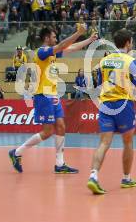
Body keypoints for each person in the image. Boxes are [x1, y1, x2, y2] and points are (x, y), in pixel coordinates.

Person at [86, 29, 136, 195]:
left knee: (104, 143)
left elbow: (100, 85)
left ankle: (93, 176)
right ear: (128, 42)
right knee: (128, 142)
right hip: (123, 104)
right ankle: (126, 178)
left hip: (106, 104)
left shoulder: (104, 61)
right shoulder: (130, 62)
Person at [9, 25, 96, 174]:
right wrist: (78, 32)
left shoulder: (53, 54)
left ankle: (60, 164)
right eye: (54, 37)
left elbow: (71, 47)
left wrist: (88, 39)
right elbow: (63, 45)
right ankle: (17, 152)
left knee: (61, 126)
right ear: (46, 38)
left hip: (53, 95)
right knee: (48, 132)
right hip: (43, 95)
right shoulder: (42, 52)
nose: (56, 39)